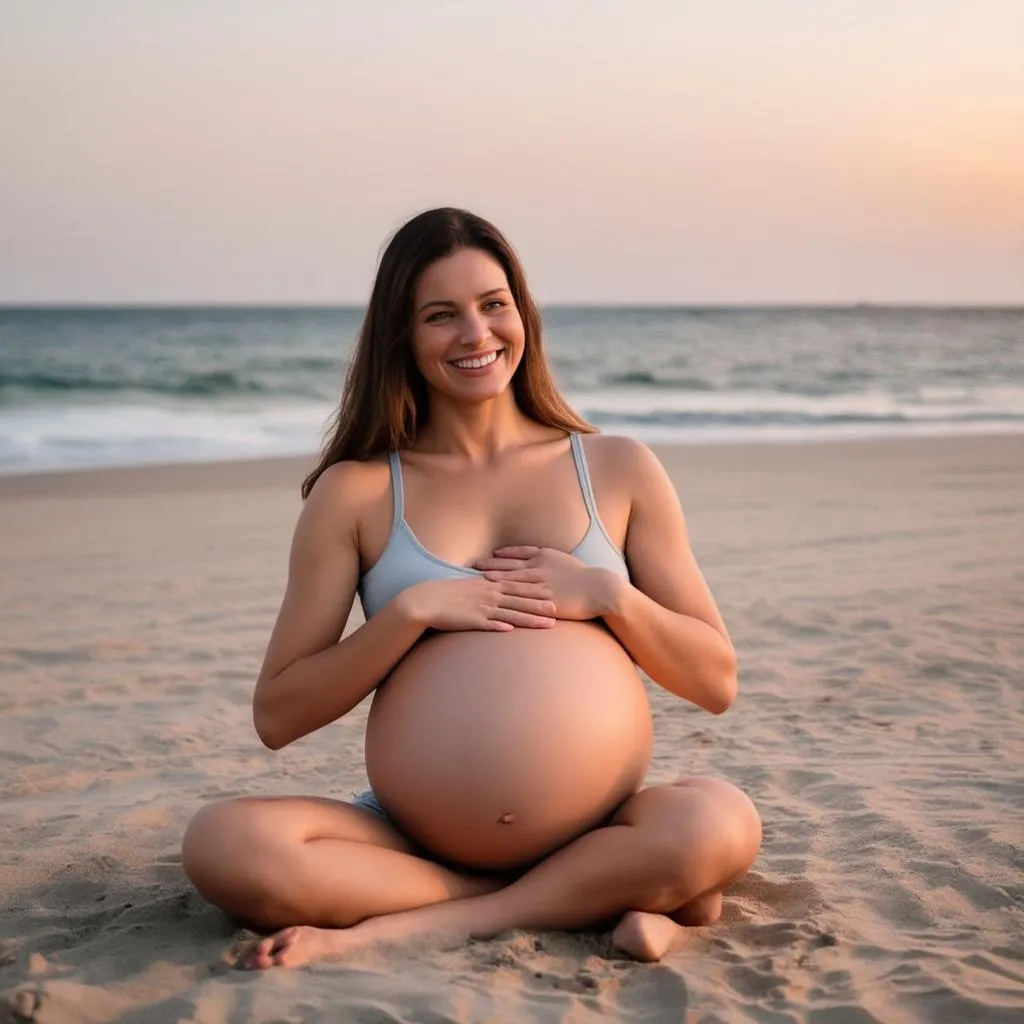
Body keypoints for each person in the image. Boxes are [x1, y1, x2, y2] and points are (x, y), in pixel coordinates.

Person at [181, 208, 761, 969]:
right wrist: (411, 615)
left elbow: (715, 679)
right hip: (413, 839)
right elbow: (279, 713)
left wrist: (609, 596)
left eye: (494, 305)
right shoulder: (355, 494)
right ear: (402, 336)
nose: (476, 334)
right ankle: (602, 897)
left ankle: (430, 920)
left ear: (523, 314)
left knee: (720, 822)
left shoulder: (617, 468)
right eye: (440, 315)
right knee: (225, 844)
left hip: (603, 821)